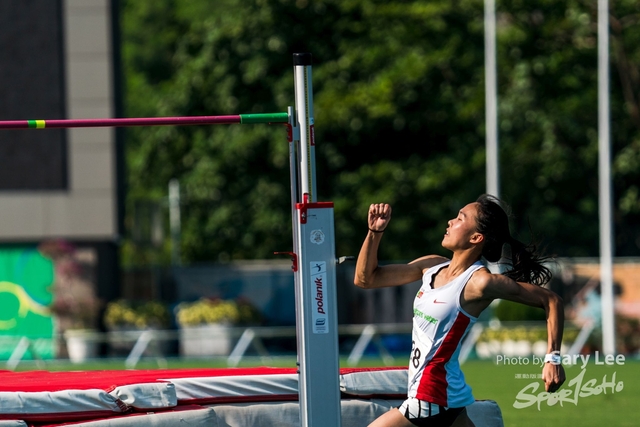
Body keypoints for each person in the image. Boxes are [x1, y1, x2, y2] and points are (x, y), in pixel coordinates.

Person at [354, 195, 565, 427]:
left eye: (460, 218)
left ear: (476, 237)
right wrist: (374, 233)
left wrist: (552, 359)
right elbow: (366, 279)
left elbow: (551, 301)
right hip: (450, 393)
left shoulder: (480, 282)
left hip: (431, 395)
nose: (450, 222)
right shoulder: (432, 266)